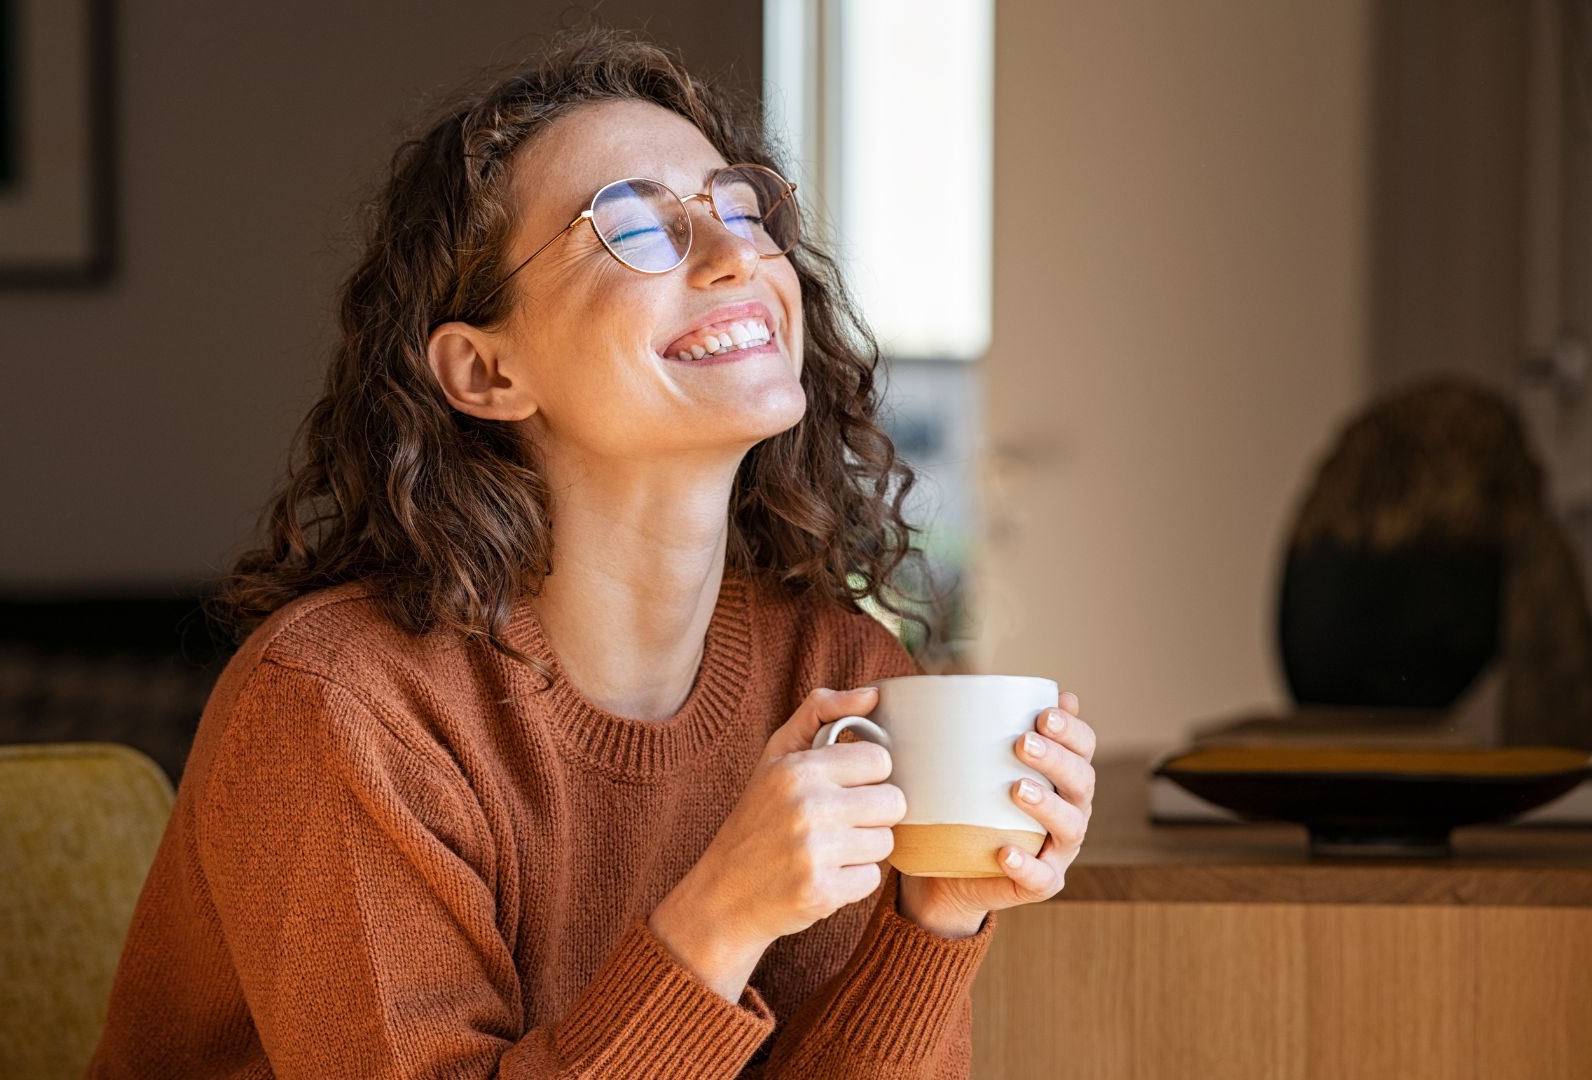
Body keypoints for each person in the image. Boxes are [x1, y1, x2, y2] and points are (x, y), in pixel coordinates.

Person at [85, 25, 1096, 1079]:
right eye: (632, 227)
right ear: (484, 373)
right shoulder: (343, 708)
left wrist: (935, 922)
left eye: (741, 207)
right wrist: (717, 918)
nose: (738, 253)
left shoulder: (839, 679)